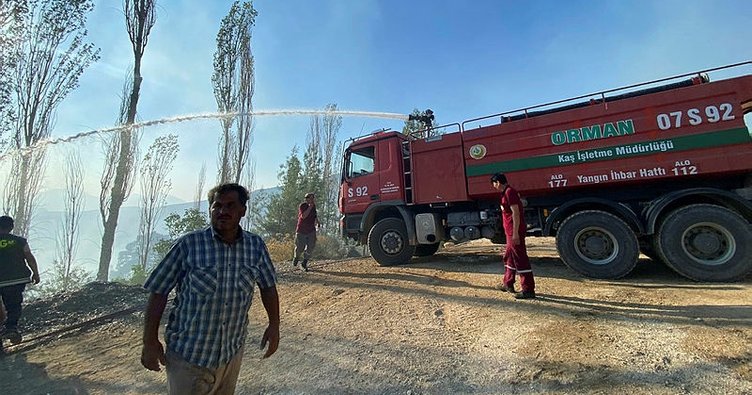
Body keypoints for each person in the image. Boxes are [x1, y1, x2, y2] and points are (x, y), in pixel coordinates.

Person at [141, 183, 280, 395]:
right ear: (210, 210)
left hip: (230, 354)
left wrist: (274, 326)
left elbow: (268, 287)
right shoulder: (189, 245)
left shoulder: (255, 246)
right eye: (217, 206)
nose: (223, 211)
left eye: (230, 206)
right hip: (189, 358)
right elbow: (158, 290)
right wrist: (149, 341)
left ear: (243, 210)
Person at [491, 173, 536, 299]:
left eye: (494, 184)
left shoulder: (510, 192)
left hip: (514, 232)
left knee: (520, 258)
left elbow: (516, 213)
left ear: (498, 182)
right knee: (509, 256)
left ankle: (528, 289)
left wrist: (515, 233)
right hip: (509, 232)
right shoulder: (505, 193)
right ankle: (508, 283)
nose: (494, 187)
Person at [0, 215, 40, 344]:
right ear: (11, 227)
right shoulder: (20, 241)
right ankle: (11, 328)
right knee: (14, 305)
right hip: (17, 279)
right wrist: (35, 273)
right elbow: (29, 257)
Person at [293, 192, 319, 271]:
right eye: (310, 198)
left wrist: (317, 222)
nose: (312, 200)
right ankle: (296, 257)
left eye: (313, 198)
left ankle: (304, 263)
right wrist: (309, 207)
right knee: (300, 247)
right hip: (301, 230)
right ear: (307, 199)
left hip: (311, 230)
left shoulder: (313, 206)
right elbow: (303, 216)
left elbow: (314, 215)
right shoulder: (303, 206)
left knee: (311, 246)